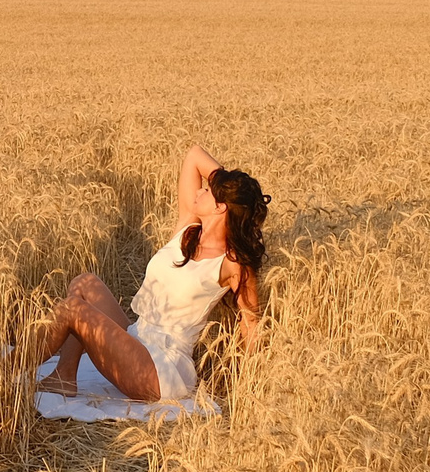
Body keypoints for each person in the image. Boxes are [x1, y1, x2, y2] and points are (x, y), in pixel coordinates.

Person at [29, 146, 268, 404]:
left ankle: (3, 371)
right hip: (137, 336)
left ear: (221, 207)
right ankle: (64, 375)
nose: (200, 189)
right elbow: (194, 156)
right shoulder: (188, 229)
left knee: (72, 309)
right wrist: (233, 188)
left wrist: (251, 384)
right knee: (85, 283)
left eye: (208, 190)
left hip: (162, 369)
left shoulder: (232, 265)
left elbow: (251, 323)